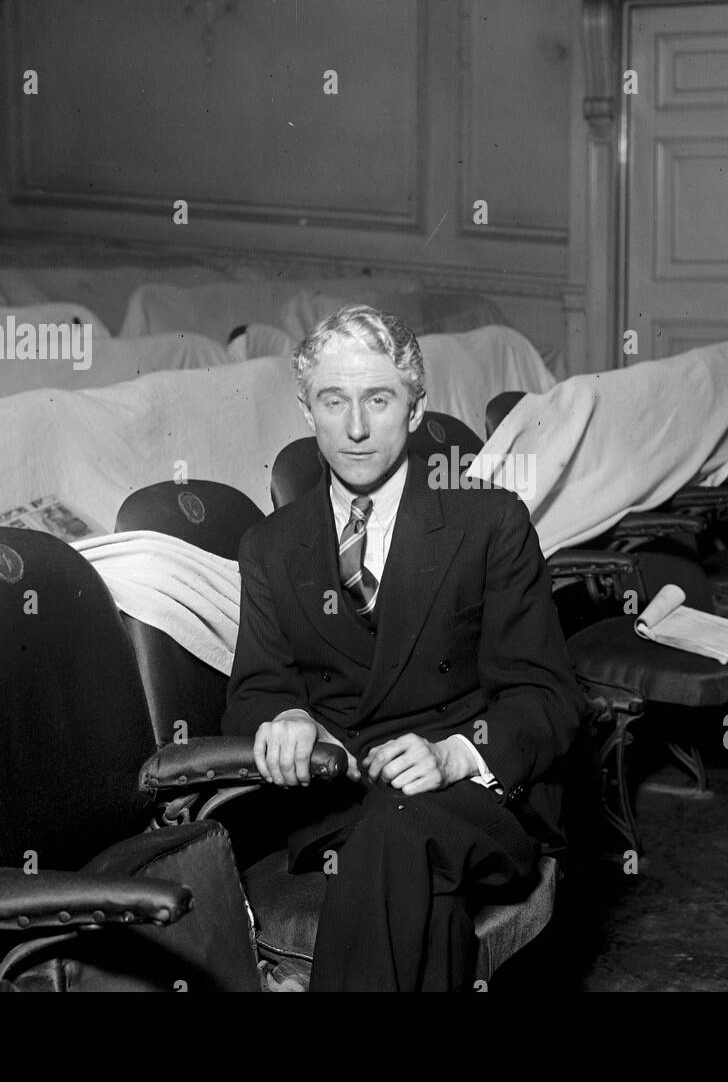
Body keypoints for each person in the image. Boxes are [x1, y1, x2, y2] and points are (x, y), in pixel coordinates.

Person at [224, 305, 583, 992]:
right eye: (334, 401)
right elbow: (253, 692)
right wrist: (283, 719)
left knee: (397, 835)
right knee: (424, 903)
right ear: (307, 410)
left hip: (477, 799)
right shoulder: (270, 546)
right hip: (344, 805)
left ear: (415, 410)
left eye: (378, 400)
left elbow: (548, 697)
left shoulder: (489, 521)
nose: (355, 427)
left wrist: (454, 752)